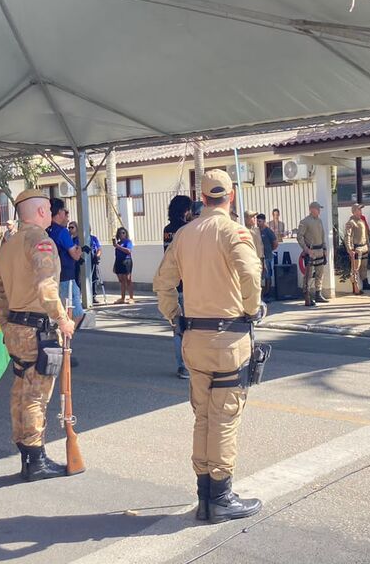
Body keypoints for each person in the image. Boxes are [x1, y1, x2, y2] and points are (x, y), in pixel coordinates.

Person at [152, 168, 263, 524]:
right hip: (228, 339)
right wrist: (252, 308)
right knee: (225, 418)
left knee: (203, 415)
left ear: (203, 198)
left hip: (194, 339)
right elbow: (250, 275)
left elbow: (162, 283)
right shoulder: (234, 232)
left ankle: (204, 495)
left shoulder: (184, 234)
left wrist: (175, 317)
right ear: (229, 197)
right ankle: (221, 496)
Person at [0, 190, 75, 481]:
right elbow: (47, 285)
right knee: (36, 394)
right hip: (39, 329)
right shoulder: (40, 241)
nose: (51, 212)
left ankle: (27, 453)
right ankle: (37, 460)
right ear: (39, 211)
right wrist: (62, 319)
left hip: (16, 327)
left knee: (21, 390)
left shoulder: (8, 245)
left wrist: (6, 321)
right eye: (49, 208)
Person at [164, 194, 193, 380]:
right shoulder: (187, 230)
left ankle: (181, 366)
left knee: (177, 327)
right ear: (186, 210)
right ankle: (189, 365)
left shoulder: (167, 230)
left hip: (172, 283)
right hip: (188, 283)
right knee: (191, 328)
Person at [47, 199, 83, 324]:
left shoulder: (46, 230)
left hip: (51, 277)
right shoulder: (62, 232)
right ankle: (65, 340)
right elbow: (75, 256)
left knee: (59, 312)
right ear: (59, 212)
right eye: (65, 212)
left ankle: (61, 338)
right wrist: (79, 247)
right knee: (75, 313)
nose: (67, 215)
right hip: (66, 277)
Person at [297, 201, 328, 306]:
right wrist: (306, 249)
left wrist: (325, 249)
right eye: (317, 208)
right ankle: (307, 295)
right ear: (311, 209)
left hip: (319, 250)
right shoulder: (305, 222)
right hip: (311, 251)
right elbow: (300, 237)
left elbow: (322, 235)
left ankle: (318, 294)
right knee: (309, 274)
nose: (319, 211)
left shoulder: (319, 221)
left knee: (320, 273)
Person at [344, 204, 370, 295]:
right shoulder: (351, 222)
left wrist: (368, 244)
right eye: (358, 210)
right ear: (354, 211)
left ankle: (365, 283)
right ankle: (355, 288)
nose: (360, 211)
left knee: (364, 267)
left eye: (360, 210)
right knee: (355, 269)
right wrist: (349, 249)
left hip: (364, 247)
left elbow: (366, 234)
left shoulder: (361, 221)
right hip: (357, 248)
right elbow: (347, 236)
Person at [256, 213, 278, 300]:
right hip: (259, 256)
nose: (258, 223)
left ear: (264, 221)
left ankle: (268, 292)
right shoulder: (256, 231)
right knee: (260, 275)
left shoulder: (268, 231)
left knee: (268, 275)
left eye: (260, 221)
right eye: (257, 221)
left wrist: (270, 250)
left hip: (268, 256)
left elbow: (275, 243)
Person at [112, 227, 134, 304]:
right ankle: (122, 297)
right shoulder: (118, 243)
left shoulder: (128, 242)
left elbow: (128, 251)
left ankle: (131, 297)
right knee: (121, 280)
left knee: (128, 279)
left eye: (123, 233)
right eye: (120, 233)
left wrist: (118, 247)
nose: (122, 234)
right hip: (118, 261)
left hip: (126, 261)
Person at [88, 232, 103, 304]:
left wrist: (97, 256)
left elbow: (99, 249)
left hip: (92, 258)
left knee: (94, 277)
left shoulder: (94, 238)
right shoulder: (79, 238)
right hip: (84, 259)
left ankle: (93, 296)